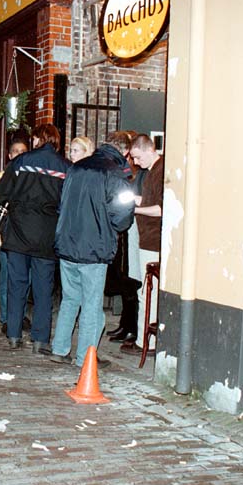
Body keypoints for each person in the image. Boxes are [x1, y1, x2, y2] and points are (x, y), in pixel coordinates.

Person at [49, 141, 136, 367]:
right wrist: (113, 228)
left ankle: (59, 348)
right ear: (124, 151)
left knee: (69, 299)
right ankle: (85, 358)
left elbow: (62, 204)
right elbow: (123, 212)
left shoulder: (76, 168)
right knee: (91, 305)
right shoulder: (114, 173)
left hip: (68, 244)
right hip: (94, 248)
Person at [0, 124, 70, 353]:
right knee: (44, 288)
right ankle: (40, 340)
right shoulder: (65, 167)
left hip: (17, 234)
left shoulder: (20, 163)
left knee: (17, 285)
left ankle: (14, 335)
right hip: (46, 236)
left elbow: (1, 196)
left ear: (37, 139)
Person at [122, 134, 164, 356]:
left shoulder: (159, 171)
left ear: (149, 149)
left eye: (137, 157)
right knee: (146, 290)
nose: (136, 162)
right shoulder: (152, 172)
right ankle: (143, 339)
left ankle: (145, 342)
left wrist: (133, 208)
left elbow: (160, 209)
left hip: (152, 239)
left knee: (148, 291)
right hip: (147, 236)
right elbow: (151, 202)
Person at [0, 136, 29, 334]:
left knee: (24, 278)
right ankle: (6, 317)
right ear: (10, 156)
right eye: (16, 151)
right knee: (7, 276)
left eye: (23, 151)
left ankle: (20, 315)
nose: (19, 154)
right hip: (7, 234)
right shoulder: (1, 177)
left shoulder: (30, 177)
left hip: (26, 236)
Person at [103, 131, 144, 344]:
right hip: (122, 231)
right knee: (120, 277)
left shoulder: (134, 173)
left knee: (129, 279)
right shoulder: (123, 171)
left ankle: (131, 326)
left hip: (132, 230)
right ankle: (125, 324)